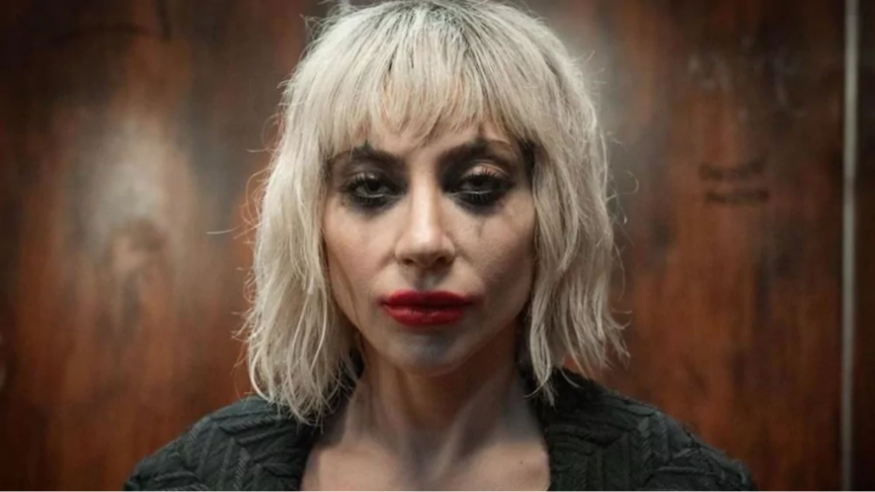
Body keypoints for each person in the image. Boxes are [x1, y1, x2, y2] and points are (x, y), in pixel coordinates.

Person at [124, 0, 755, 490]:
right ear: (310, 222)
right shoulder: (186, 480)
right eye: (371, 188)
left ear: (553, 215)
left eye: (478, 185)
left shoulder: (685, 481)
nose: (424, 241)